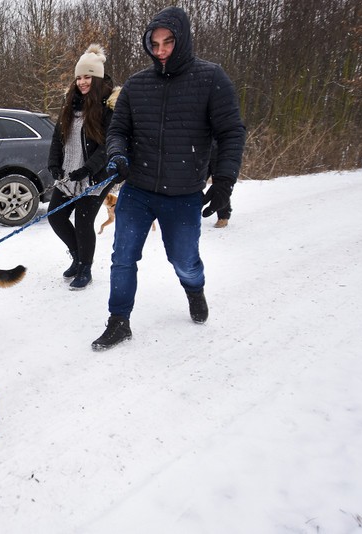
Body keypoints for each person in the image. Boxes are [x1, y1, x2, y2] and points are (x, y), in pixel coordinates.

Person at [93, 6, 246, 350]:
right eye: (155, 44)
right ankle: (119, 320)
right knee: (123, 255)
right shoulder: (136, 84)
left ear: (183, 41)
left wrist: (224, 181)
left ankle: (194, 289)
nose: (160, 51)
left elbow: (231, 132)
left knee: (183, 260)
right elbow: (118, 129)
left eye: (168, 42)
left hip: (184, 193)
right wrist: (118, 154)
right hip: (139, 189)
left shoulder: (211, 78)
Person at [47, 44, 119, 290]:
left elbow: (109, 145)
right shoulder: (71, 103)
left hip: (95, 174)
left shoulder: (109, 106)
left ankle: (85, 268)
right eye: (79, 77)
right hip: (70, 170)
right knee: (55, 216)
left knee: (83, 221)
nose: (82, 82)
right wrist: (54, 165)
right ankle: (77, 256)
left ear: (97, 77)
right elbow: (59, 137)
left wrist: (88, 169)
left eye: (87, 76)